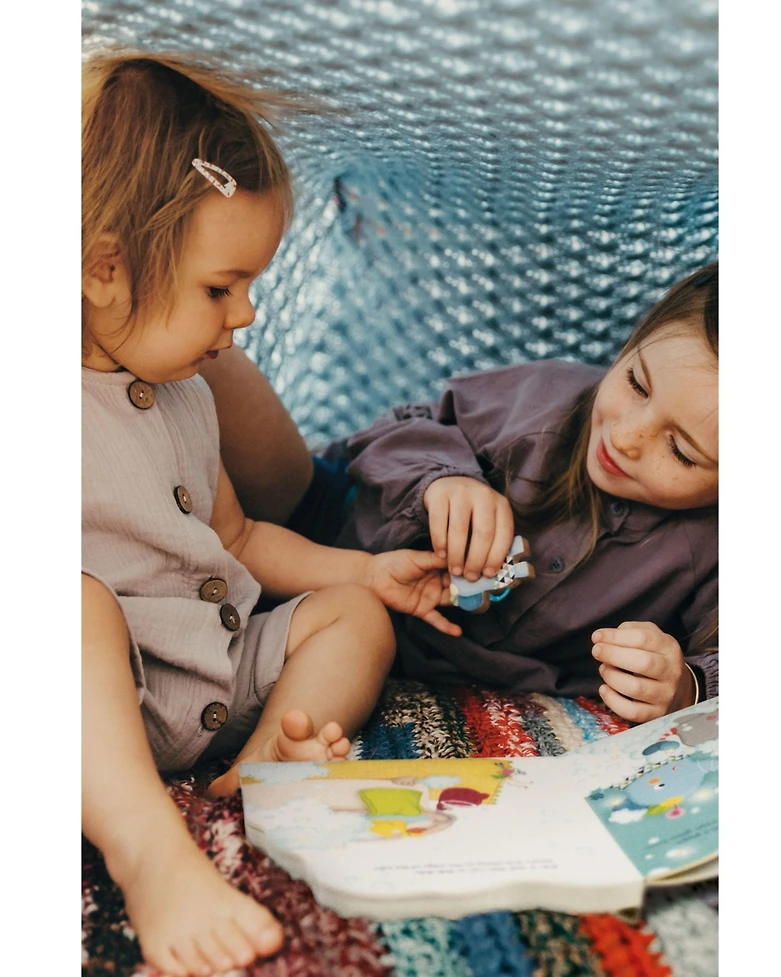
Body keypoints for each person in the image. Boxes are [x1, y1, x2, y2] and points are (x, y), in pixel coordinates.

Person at [81, 50, 459, 977]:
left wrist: (365, 573)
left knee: (353, 619)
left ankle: (259, 768)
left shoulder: (186, 393)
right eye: (221, 287)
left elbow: (241, 538)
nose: (245, 315)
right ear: (103, 268)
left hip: (210, 668)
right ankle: (148, 850)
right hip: (93, 705)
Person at [207, 263, 719, 727]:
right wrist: (444, 478)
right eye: (636, 383)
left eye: (681, 451)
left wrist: (686, 686)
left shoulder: (712, 551)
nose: (626, 437)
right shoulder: (548, 401)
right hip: (322, 517)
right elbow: (398, 430)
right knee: (211, 359)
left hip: (347, 632)